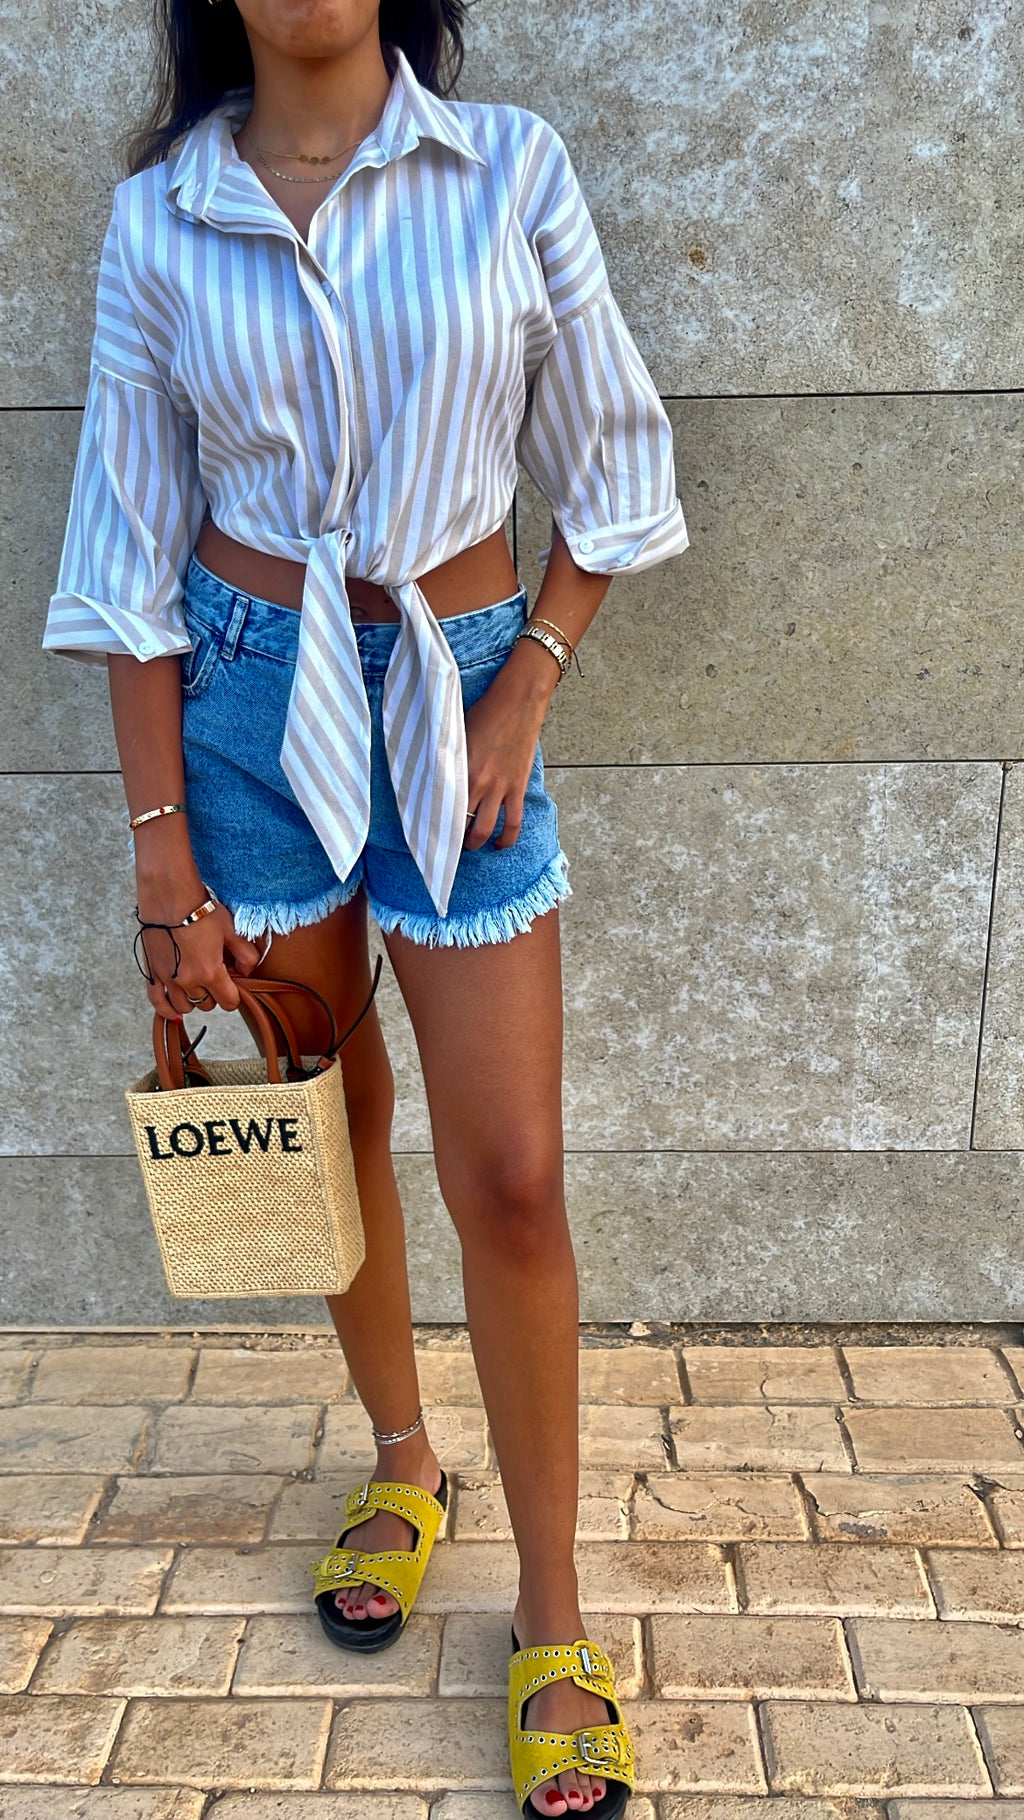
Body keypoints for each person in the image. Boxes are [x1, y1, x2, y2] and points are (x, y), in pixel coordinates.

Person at [43, 2, 689, 1812]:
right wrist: (159, 855)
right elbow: (124, 540)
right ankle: (404, 1464)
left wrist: (529, 679)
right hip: (245, 707)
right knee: (322, 1131)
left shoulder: (509, 172)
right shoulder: (162, 217)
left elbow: (619, 471)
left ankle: (553, 1611)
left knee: (513, 1173)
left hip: (460, 681)